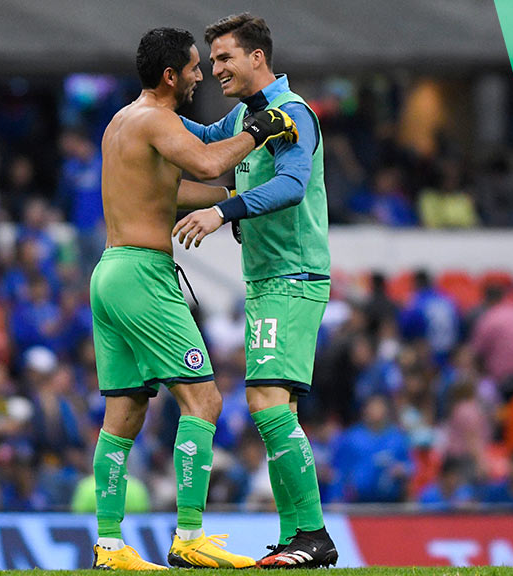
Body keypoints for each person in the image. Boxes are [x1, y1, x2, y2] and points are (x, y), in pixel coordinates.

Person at [89, 27, 298, 571]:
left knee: (124, 411)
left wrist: (231, 201)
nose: (200, 75)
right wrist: (262, 127)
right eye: (193, 68)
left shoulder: (121, 122)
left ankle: (109, 547)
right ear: (169, 76)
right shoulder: (159, 118)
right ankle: (189, 535)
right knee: (203, 402)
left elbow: (171, 189)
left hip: (110, 272)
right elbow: (207, 163)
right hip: (143, 273)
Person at [172, 13, 338, 568]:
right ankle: (297, 540)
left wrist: (223, 210)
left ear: (256, 58)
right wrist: (150, 113)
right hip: (268, 279)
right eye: (211, 60)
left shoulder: (292, 115)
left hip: (292, 276)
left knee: (266, 404)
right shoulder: (247, 116)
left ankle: (314, 535)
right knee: (276, 408)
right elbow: (201, 140)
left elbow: (291, 185)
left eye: (224, 58)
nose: (216, 68)